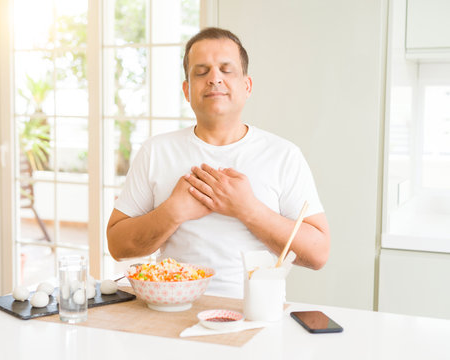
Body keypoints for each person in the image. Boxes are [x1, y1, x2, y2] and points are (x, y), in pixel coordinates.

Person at [107, 27, 330, 298]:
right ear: (187, 91)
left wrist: (248, 209)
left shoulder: (284, 155)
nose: (214, 79)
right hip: (171, 310)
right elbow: (117, 245)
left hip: (256, 315)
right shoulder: (155, 151)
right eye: (201, 72)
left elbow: (318, 253)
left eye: (227, 70)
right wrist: (173, 212)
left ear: (246, 86)